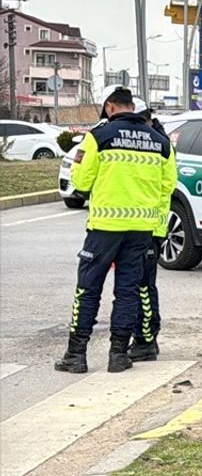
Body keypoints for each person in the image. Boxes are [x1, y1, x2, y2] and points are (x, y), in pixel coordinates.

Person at [55, 89, 176, 374]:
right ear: (132, 107)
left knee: (88, 289)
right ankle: (119, 355)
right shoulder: (161, 142)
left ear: (110, 107)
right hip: (141, 230)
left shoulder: (98, 137)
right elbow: (167, 187)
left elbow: (81, 181)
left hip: (105, 228)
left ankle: (76, 355)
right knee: (128, 292)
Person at [129, 104, 170, 362]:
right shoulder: (159, 142)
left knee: (142, 286)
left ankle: (145, 339)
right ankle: (146, 338)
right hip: (149, 225)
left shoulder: (154, 144)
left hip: (148, 226)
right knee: (142, 285)